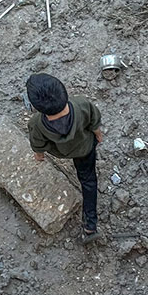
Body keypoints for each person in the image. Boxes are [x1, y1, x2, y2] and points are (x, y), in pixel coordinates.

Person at [25, 73, 104, 243]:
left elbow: (38, 144)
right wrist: (98, 135)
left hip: (62, 152)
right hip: (85, 149)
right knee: (88, 181)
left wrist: (39, 155)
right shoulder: (81, 104)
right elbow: (94, 121)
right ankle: (90, 225)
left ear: (37, 107)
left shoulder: (36, 124)